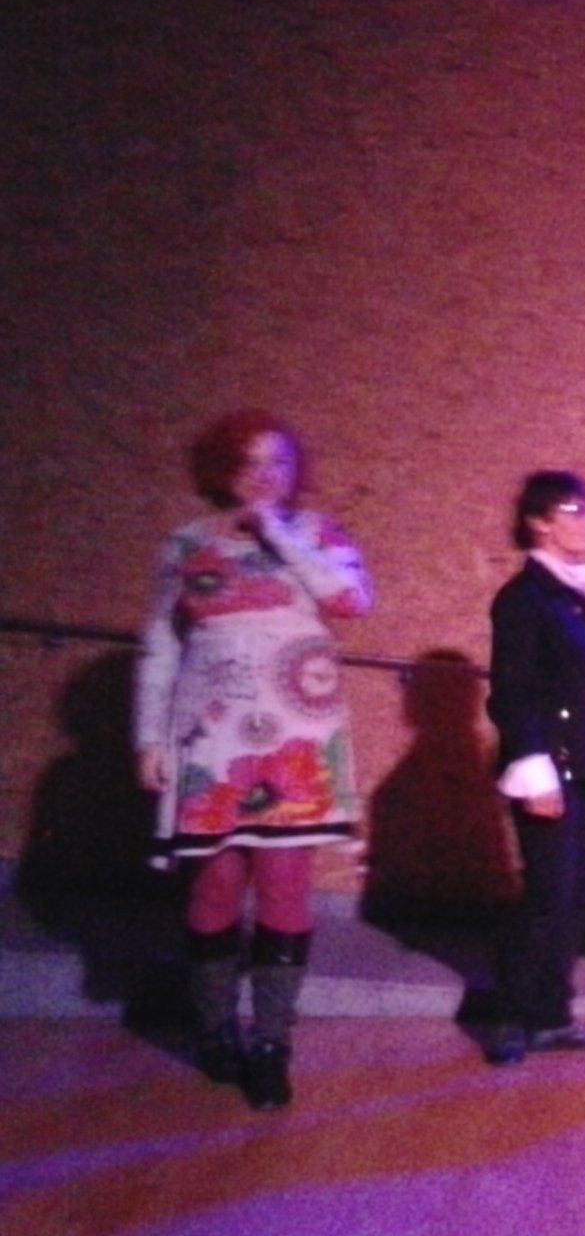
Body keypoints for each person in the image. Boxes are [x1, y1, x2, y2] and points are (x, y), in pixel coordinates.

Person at [135, 409, 373, 1111]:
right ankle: (215, 1030)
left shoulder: (320, 535)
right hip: (212, 736)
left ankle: (271, 1045)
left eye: (279, 462)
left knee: (285, 884)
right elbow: (160, 646)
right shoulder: (187, 543)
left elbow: (351, 600)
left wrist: (278, 533)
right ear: (224, 471)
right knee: (214, 887)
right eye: (251, 462)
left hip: (296, 736)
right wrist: (149, 738)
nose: (266, 475)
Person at [484, 471, 585, 1066]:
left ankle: (550, 1014)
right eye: (575, 510)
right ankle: (509, 1015)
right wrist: (535, 768)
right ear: (539, 522)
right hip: (551, 770)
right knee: (548, 895)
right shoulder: (525, 599)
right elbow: (513, 692)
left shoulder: (578, 596)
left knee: (579, 895)